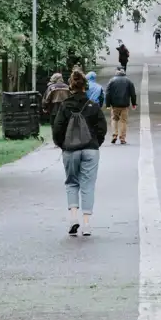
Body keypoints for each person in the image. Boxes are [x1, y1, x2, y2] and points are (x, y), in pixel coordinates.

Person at [52, 70, 107, 237]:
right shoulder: (93, 105)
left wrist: (63, 145)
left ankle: (73, 218)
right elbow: (102, 129)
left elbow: (58, 128)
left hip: (70, 150)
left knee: (71, 183)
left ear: (71, 85)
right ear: (86, 86)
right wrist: (95, 144)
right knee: (88, 185)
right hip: (90, 149)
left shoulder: (65, 106)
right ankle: (87, 224)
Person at [105, 66, 138, 145]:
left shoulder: (112, 81)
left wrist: (108, 104)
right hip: (125, 105)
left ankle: (114, 135)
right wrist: (134, 103)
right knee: (123, 121)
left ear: (116, 71)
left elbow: (107, 93)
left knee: (114, 119)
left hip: (115, 105)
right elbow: (133, 94)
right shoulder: (128, 81)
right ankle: (122, 138)